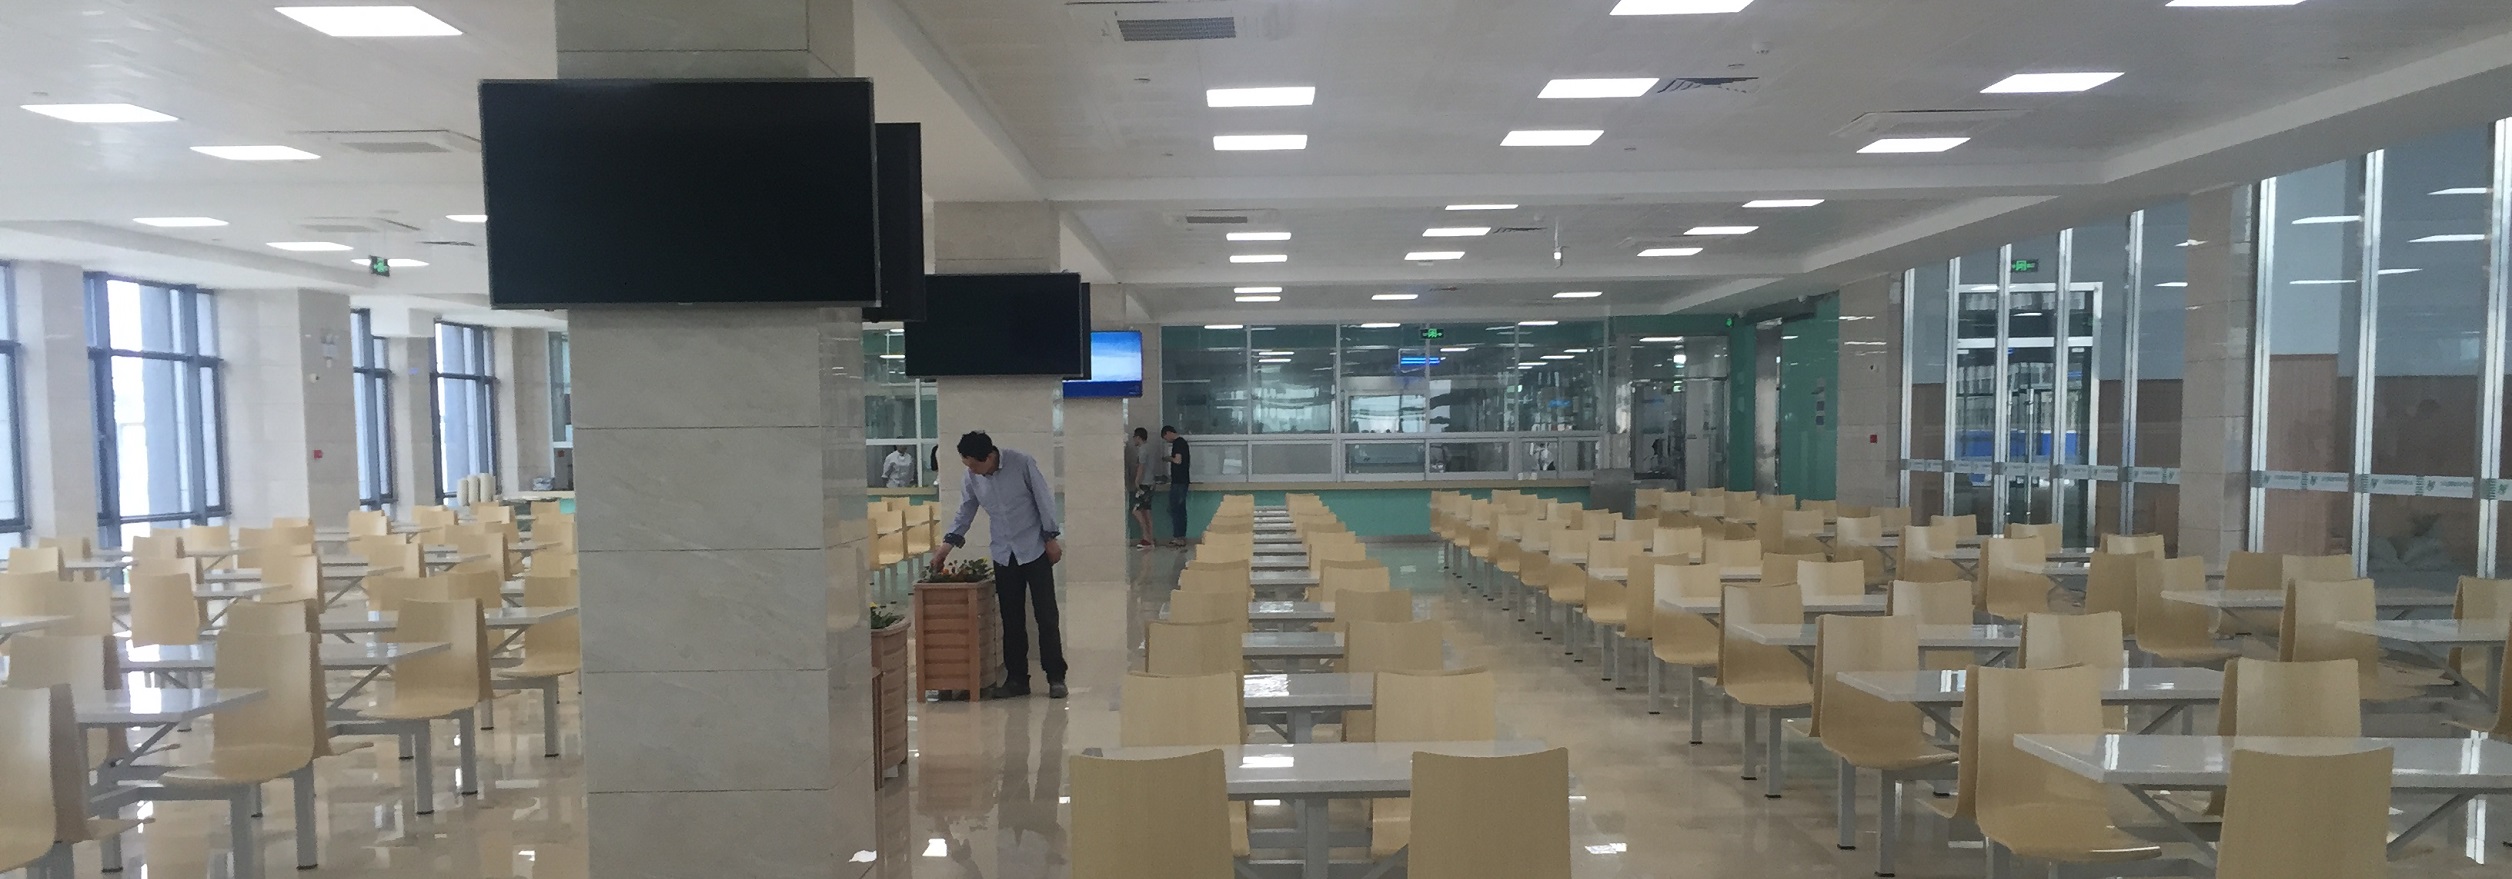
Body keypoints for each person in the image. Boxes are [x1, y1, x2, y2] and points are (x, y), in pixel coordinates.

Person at [931, 431, 1067, 699]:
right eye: (967, 465)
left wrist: (1050, 537)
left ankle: (1056, 677)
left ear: (989, 457)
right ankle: (1017, 680)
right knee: (1011, 618)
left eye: (974, 465)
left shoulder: (1021, 463)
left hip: (1034, 548)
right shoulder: (972, 477)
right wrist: (945, 547)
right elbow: (965, 511)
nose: (971, 470)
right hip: (1004, 553)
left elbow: (1044, 499)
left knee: (1046, 616)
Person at [1161, 425, 1191, 547]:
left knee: (1176, 509)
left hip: (1179, 482)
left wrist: (1168, 458)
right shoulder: (1182, 443)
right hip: (1182, 481)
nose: (1167, 441)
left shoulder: (1178, 443)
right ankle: (1180, 536)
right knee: (1179, 509)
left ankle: (1178, 537)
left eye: (1165, 438)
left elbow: (1178, 460)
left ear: (1168, 433)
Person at [1128, 427, 1157, 549]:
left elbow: (1141, 466)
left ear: (1138, 437)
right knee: (1146, 511)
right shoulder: (1150, 448)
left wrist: (1137, 481)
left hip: (1144, 484)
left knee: (1136, 510)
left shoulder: (1143, 450)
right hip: (1151, 483)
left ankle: (1146, 538)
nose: (1133, 440)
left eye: (1134, 437)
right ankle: (1150, 538)